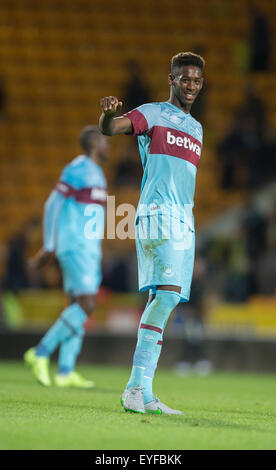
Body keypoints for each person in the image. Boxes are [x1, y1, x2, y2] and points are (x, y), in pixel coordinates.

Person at [99, 51, 204, 414]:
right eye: (184, 79)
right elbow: (111, 128)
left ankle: (141, 391)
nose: (190, 86)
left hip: (184, 221)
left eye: (196, 81)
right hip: (158, 215)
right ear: (171, 79)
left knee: (164, 298)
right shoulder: (154, 112)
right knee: (169, 297)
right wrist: (109, 112)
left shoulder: (197, 129)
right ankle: (135, 387)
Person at [24, 126, 109, 388]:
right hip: (75, 244)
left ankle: (65, 371)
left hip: (88, 246)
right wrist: (49, 245)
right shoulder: (78, 168)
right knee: (87, 304)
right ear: (95, 143)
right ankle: (39, 353)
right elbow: (53, 203)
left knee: (76, 305)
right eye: (106, 142)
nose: (109, 147)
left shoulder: (97, 173)